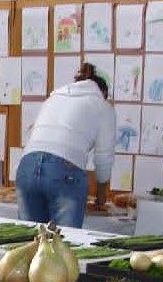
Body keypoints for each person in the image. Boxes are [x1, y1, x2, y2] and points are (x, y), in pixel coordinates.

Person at [16, 63, 116, 228]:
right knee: (64, 241)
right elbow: (103, 157)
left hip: (26, 165)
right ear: (103, 93)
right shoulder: (102, 106)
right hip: (64, 170)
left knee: (30, 240)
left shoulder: (54, 98)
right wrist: (100, 197)